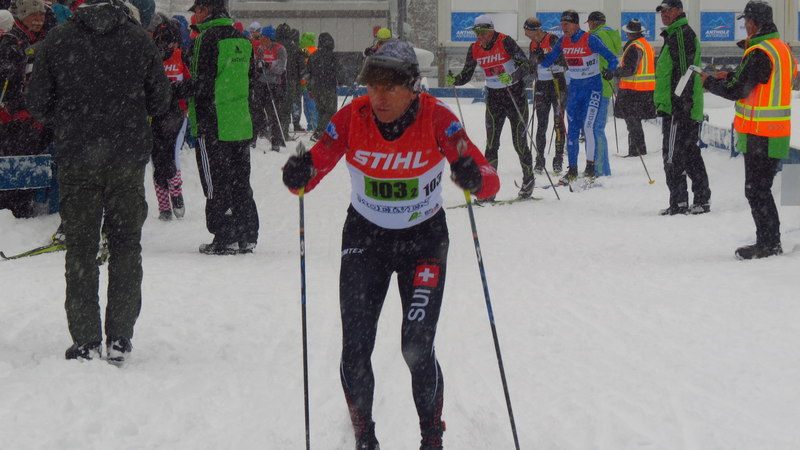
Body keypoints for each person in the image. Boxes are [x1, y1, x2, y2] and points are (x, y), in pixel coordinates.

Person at [281, 39, 499, 450]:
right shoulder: (353, 117)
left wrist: (474, 177)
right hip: (366, 239)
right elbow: (317, 164)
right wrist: (299, 173)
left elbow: (489, 179)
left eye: (389, 88)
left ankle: (431, 437)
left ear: (413, 87)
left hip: (424, 241)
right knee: (355, 348)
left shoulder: (437, 118)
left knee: (416, 346)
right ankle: (365, 437)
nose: (378, 97)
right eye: (372, 87)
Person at [26, 0, 171, 363]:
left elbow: (37, 102)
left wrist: (69, 117)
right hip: (126, 157)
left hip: (77, 157)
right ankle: (120, 336)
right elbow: (160, 100)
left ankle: (86, 338)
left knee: (80, 248)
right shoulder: (138, 39)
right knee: (126, 245)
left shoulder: (58, 39)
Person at [702, 1, 795, 259]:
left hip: (760, 132)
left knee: (756, 190)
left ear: (754, 23)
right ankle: (770, 241)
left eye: (746, 21)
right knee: (760, 188)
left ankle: (769, 244)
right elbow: (761, 82)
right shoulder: (781, 48)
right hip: (775, 130)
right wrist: (730, 76)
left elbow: (738, 91)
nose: (744, 26)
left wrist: (709, 82)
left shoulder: (760, 52)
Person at [187, 0, 259, 254]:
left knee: (215, 182)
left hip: (213, 122)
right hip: (239, 120)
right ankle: (247, 234)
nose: (195, 17)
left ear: (205, 10)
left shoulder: (205, 39)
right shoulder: (243, 40)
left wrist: (175, 91)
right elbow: (252, 81)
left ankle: (225, 235)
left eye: (197, 11)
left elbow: (200, 82)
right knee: (240, 180)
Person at [446, 14, 533, 199]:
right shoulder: (474, 48)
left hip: (514, 95)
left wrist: (512, 77)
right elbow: (466, 74)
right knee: (492, 144)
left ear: (491, 31)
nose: (480, 37)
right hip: (494, 98)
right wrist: (455, 80)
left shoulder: (505, 41)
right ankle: (489, 188)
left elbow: (525, 65)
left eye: (483, 32)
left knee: (519, 143)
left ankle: (528, 180)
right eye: (477, 33)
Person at [539, 10, 618, 183]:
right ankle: (573, 170)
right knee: (573, 129)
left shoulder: (590, 39)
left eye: (567, 24)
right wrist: (538, 58)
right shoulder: (563, 41)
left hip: (592, 89)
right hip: (575, 90)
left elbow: (613, 58)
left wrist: (610, 71)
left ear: (575, 24)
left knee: (588, 127)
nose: (564, 28)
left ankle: (590, 167)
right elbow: (548, 61)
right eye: (562, 24)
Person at [654, 0, 711, 215]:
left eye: (668, 10)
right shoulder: (676, 34)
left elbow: (685, 72)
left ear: (679, 11)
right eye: (662, 11)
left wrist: (680, 104)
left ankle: (679, 202)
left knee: (673, 156)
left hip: (678, 108)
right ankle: (700, 199)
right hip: (681, 106)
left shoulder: (680, 34)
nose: (664, 14)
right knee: (689, 153)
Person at [0, 0, 51, 218]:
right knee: (13, 166)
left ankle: (20, 210)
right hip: (13, 119)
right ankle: (12, 213)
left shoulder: (37, 39)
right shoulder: (12, 42)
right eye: (33, 15)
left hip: (29, 117)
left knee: (22, 165)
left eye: (41, 15)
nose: (39, 20)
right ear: (20, 16)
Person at [151, 15, 188, 221]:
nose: (166, 45)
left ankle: (176, 192)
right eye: (162, 41)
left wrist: (175, 89)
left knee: (172, 156)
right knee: (157, 160)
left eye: (170, 41)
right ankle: (163, 206)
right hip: (155, 114)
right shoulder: (152, 58)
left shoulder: (182, 56)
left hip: (177, 113)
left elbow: (192, 83)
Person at [523, 16, 567, 174]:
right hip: (541, 85)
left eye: (527, 31)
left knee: (558, 123)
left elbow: (564, 61)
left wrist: (545, 58)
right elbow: (531, 65)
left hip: (557, 83)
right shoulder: (532, 44)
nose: (526, 34)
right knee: (541, 124)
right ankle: (539, 160)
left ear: (536, 30)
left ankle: (558, 160)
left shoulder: (552, 39)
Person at [613, 19, 656, 157]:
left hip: (633, 90)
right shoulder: (646, 45)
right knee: (635, 122)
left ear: (630, 33)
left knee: (632, 123)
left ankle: (637, 151)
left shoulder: (634, 46)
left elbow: (631, 69)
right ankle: (638, 150)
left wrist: (615, 72)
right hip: (645, 90)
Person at [586, 11, 621, 176]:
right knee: (596, 128)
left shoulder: (596, 36)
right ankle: (600, 167)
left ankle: (600, 168)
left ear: (593, 23)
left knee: (594, 128)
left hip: (596, 86)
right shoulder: (611, 35)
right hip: (606, 86)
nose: (588, 26)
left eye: (589, 23)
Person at [306, 31, 341, 142]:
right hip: (329, 87)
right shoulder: (332, 56)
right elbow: (338, 70)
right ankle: (319, 132)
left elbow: (308, 73)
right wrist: (341, 81)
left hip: (316, 87)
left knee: (321, 111)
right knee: (330, 111)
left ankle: (321, 133)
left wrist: (310, 88)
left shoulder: (313, 56)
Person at [257, 25, 287, 152]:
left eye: (263, 37)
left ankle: (276, 141)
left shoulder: (280, 49)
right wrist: (258, 67)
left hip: (275, 85)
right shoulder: (260, 48)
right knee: (257, 110)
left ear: (269, 38)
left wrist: (268, 66)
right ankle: (259, 134)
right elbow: (258, 63)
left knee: (274, 113)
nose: (260, 40)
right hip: (262, 83)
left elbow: (280, 69)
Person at [276, 23, 304, 133]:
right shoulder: (294, 47)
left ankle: (278, 129)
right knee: (289, 104)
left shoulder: (275, 46)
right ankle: (288, 127)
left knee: (278, 105)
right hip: (291, 79)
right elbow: (301, 65)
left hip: (276, 79)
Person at [299, 31, 318, 131]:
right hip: (312, 83)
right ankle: (314, 125)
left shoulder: (302, 51)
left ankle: (311, 125)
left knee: (307, 106)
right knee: (312, 105)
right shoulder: (315, 50)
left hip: (304, 82)